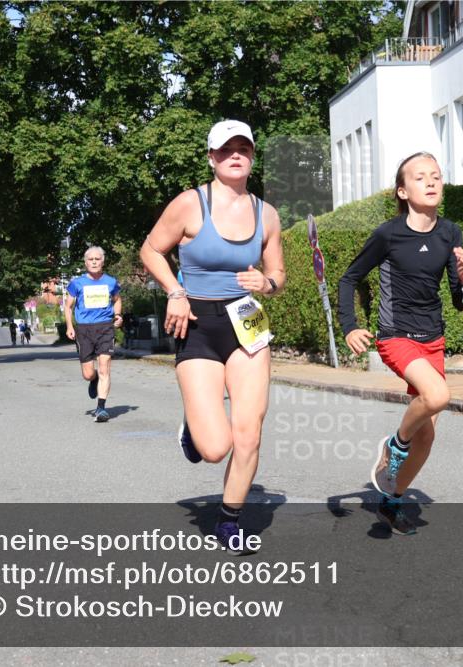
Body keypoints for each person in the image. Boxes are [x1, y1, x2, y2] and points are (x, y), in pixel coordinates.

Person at [140, 119, 286, 554]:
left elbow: (278, 273)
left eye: (244, 147)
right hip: (197, 323)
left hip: (247, 322)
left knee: (249, 433)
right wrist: (175, 291)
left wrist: (268, 284)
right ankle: (195, 428)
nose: (235, 155)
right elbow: (150, 250)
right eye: (226, 149)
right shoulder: (189, 203)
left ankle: (229, 520)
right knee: (216, 447)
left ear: (253, 157)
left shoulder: (267, 214)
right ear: (211, 157)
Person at [337, 151, 463, 535]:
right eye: (420, 177)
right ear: (403, 189)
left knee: (427, 436)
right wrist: (350, 326)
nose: (431, 182)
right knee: (438, 395)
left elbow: (461, 303)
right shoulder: (388, 234)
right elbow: (349, 279)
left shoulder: (450, 233)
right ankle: (394, 447)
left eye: (436, 175)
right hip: (396, 336)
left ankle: (392, 500)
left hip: (433, 338)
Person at [64, 246, 123, 422]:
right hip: (84, 329)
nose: (95, 262)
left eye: (98, 259)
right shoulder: (77, 283)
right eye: (91, 259)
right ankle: (93, 378)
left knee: (105, 367)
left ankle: (101, 408)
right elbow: (68, 307)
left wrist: (118, 315)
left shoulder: (111, 282)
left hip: (105, 327)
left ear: (103, 261)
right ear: (85, 262)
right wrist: (69, 326)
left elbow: (117, 300)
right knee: (88, 374)